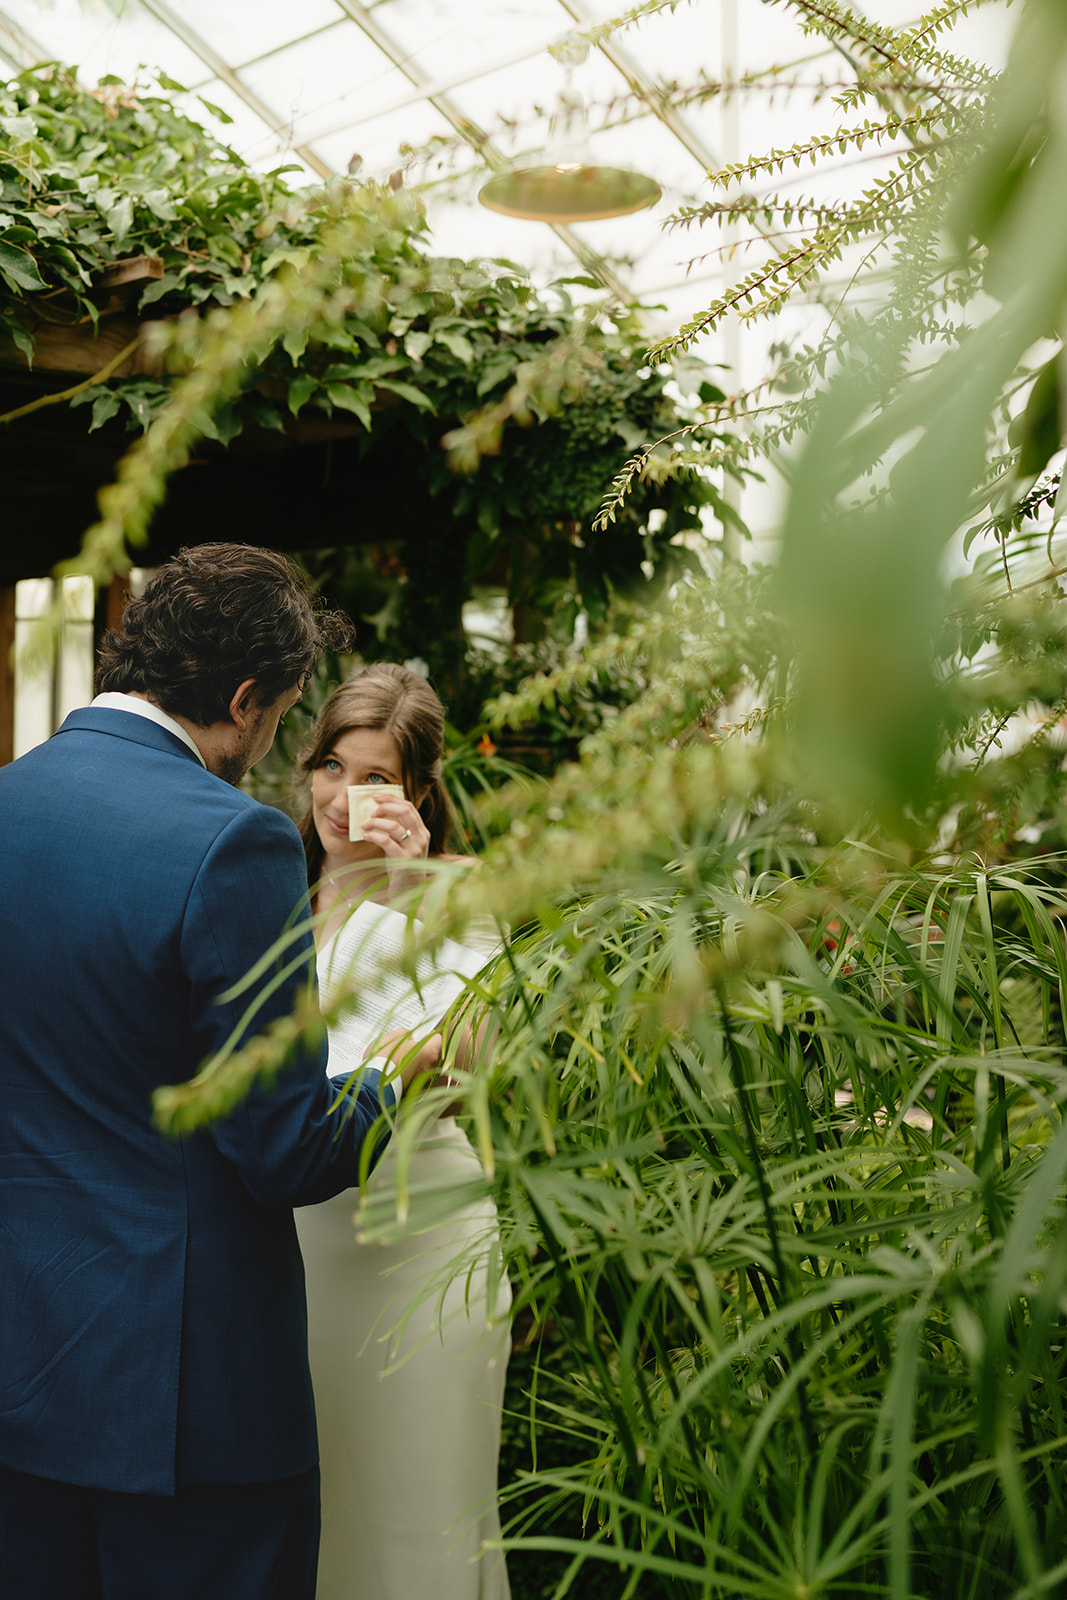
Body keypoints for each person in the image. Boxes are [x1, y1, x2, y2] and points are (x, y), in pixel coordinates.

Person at [0, 545, 440, 1600]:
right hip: (191, 1409)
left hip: (23, 1372)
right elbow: (283, 1148)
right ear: (245, 699)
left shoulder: (8, 801)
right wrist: (392, 1077)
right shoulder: (229, 844)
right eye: (288, 718)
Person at [293, 663, 512, 1600]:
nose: (346, 800)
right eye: (332, 768)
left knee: (425, 1508)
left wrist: (411, 886)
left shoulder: (458, 891)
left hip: (425, 1238)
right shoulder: (273, 898)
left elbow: (467, 1069)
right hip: (302, 1238)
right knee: (316, 1508)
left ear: (417, 789)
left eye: (376, 777)